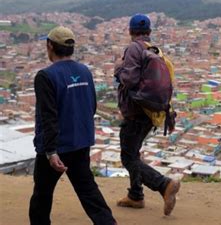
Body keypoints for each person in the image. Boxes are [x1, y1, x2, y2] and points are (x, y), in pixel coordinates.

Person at [29, 26, 116, 224]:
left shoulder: (45, 76)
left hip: (55, 148)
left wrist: (51, 151)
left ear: (50, 45)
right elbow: (91, 106)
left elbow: (48, 116)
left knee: (42, 195)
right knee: (88, 191)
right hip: (80, 143)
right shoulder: (84, 71)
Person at [114, 14, 180, 215]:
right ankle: (135, 195)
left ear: (130, 31)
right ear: (149, 32)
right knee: (133, 154)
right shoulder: (155, 51)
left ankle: (164, 185)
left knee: (128, 157)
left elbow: (130, 80)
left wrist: (118, 70)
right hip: (151, 111)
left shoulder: (134, 48)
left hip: (136, 112)